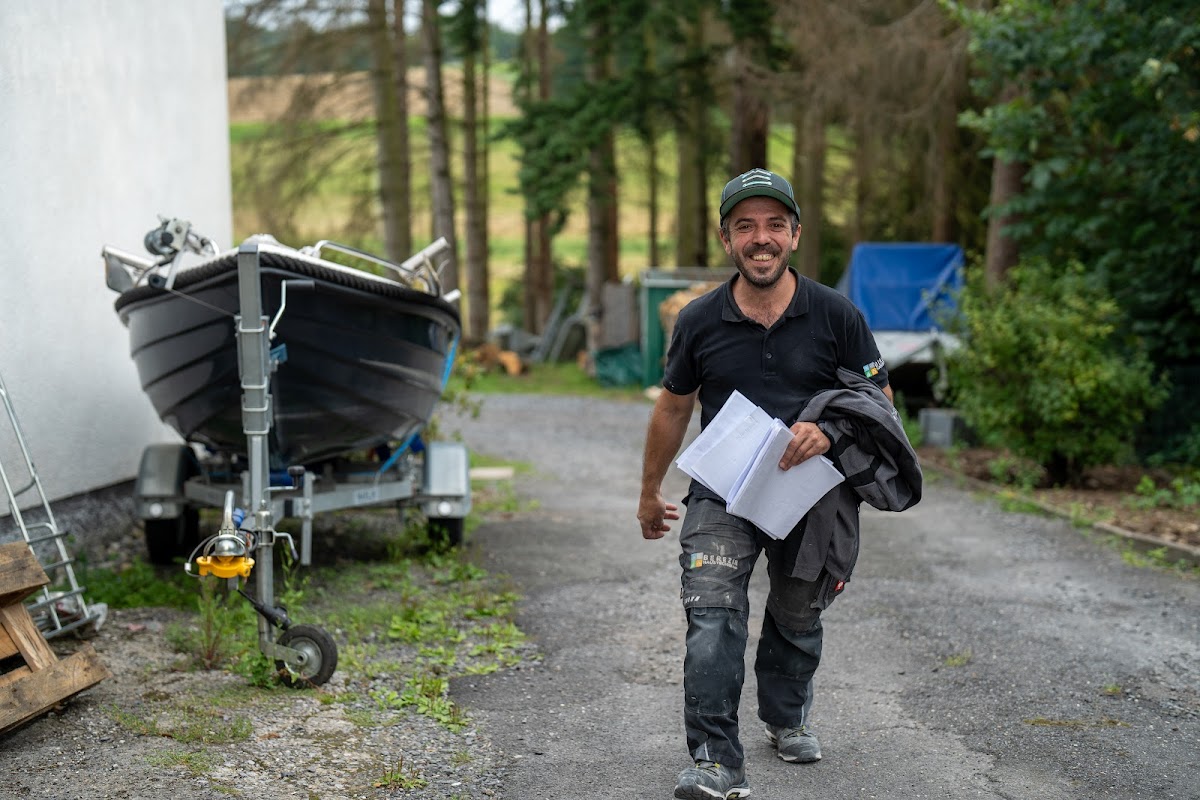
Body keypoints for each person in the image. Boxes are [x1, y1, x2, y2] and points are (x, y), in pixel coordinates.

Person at [637, 168, 921, 800]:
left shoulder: (836, 314)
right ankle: (715, 761)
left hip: (813, 494)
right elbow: (674, 406)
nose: (759, 238)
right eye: (745, 226)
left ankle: (786, 716)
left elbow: (880, 399)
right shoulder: (699, 319)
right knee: (712, 613)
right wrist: (650, 491)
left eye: (773, 225)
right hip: (723, 491)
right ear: (726, 239)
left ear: (795, 234)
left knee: (796, 616)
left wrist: (831, 434)